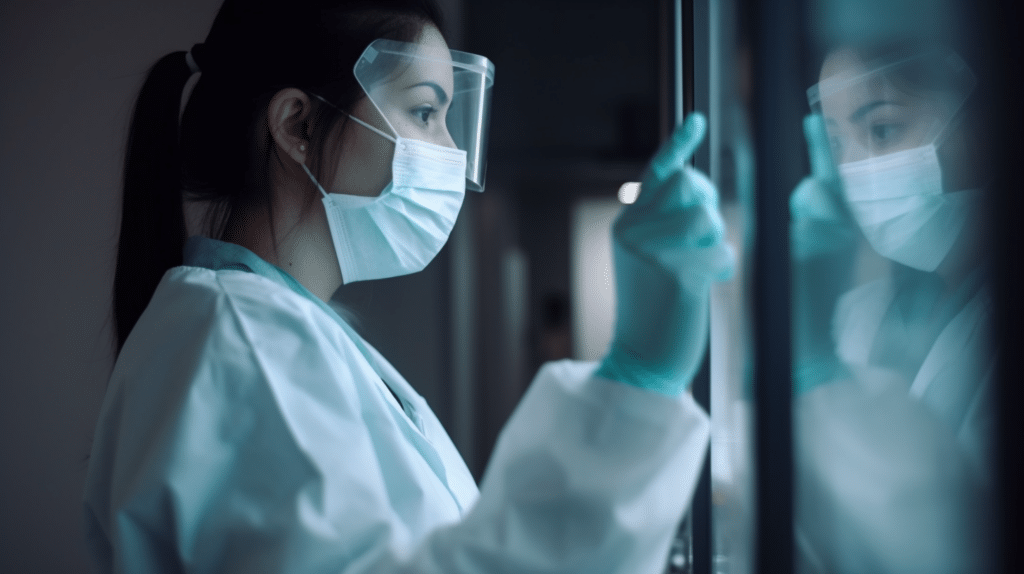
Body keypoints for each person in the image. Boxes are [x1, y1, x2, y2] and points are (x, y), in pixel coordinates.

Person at [83, 1, 734, 572]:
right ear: (298, 127)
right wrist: (633, 385)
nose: (449, 153)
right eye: (425, 112)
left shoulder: (275, 334)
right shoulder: (240, 339)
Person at [790, 43, 996, 574]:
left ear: (983, 130)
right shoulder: (856, 315)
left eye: (881, 131)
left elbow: (967, 542)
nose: (854, 172)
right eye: (837, 146)